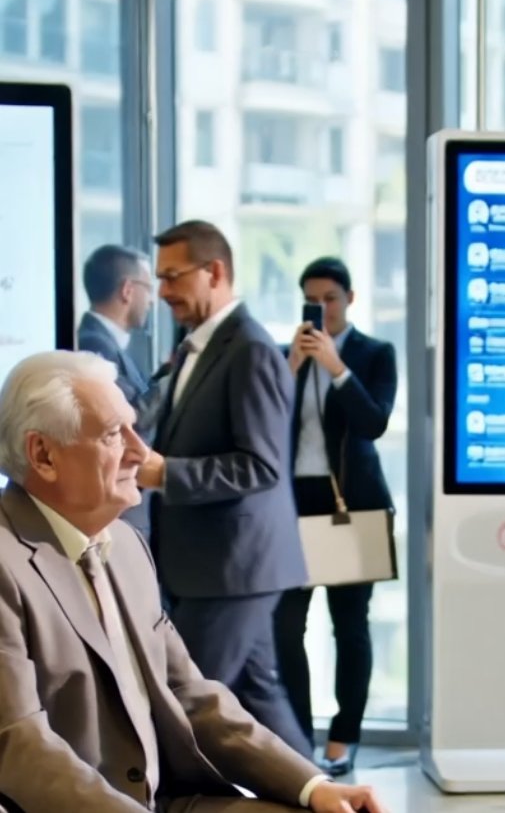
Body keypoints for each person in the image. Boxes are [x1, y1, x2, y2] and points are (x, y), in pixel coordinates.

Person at [0, 349, 388, 813]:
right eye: (113, 434)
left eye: (133, 428)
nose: (141, 452)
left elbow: (190, 694)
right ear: (43, 455)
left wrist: (313, 786)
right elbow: (19, 743)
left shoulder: (126, 545)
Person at [136, 220, 311, 758]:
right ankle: (330, 794)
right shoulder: (200, 348)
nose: (163, 290)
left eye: (173, 276)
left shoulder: (250, 350)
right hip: (217, 566)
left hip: (232, 568)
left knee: (181, 707)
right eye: (159, 278)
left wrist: (165, 473)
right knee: (261, 698)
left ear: (214, 272)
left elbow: (260, 466)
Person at [275, 257, 397, 776]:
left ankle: (343, 738)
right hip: (291, 504)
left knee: (349, 627)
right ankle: (298, 738)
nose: (320, 308)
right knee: (285, 627)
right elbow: (262, 421)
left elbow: (374, 423)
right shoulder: (286, 356)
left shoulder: (374, 353)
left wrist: (336, 367)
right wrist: (292, 367)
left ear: (350, 299)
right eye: (311, 300)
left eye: (329, 298)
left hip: (351, 502)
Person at [78, 243, 161, 539]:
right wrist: (178, 378)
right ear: (128, 290)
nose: (152, 300)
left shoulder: (105, 342)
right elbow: (130, 416)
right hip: (117, 509)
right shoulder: (94, 344)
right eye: (148, 288)